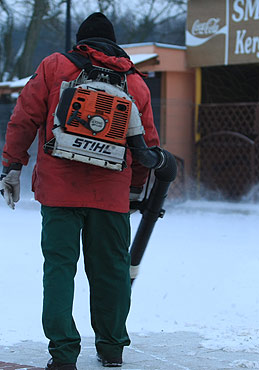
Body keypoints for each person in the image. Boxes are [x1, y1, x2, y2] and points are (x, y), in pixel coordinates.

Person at [0, 13, 161, 370]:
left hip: (60, 190)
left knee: (59, 268)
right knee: (112, 271)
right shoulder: (134, 82)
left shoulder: (55, 66)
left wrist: (12, 165)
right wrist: (133, 191)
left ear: (81, 41)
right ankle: (112, 346)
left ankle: (63, 353)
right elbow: (148, 145)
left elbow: (24, 117)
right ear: (115, 44)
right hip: (111, 194)